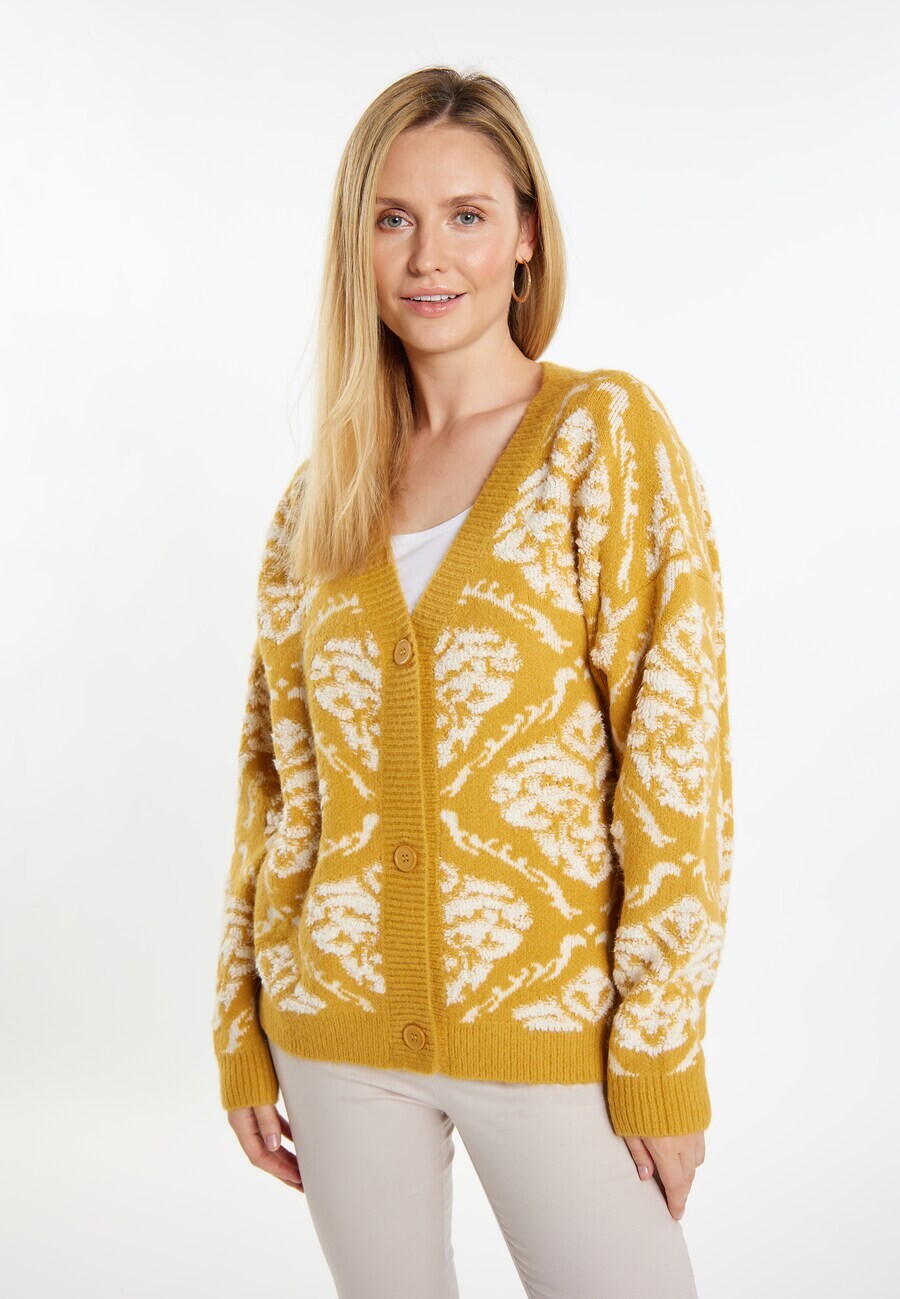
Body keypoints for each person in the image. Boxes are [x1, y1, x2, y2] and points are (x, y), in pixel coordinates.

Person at [211, 65, 733, 1299]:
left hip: (557, 1035)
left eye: (466, 215)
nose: (428, 257)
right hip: (336, 1033)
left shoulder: (603, 437)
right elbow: (275, 781)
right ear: (357, 244)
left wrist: (661, 1048)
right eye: (392, 218)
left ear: (526, 235)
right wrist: (242, 1026)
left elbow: (676, 754)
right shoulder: (317, 498)